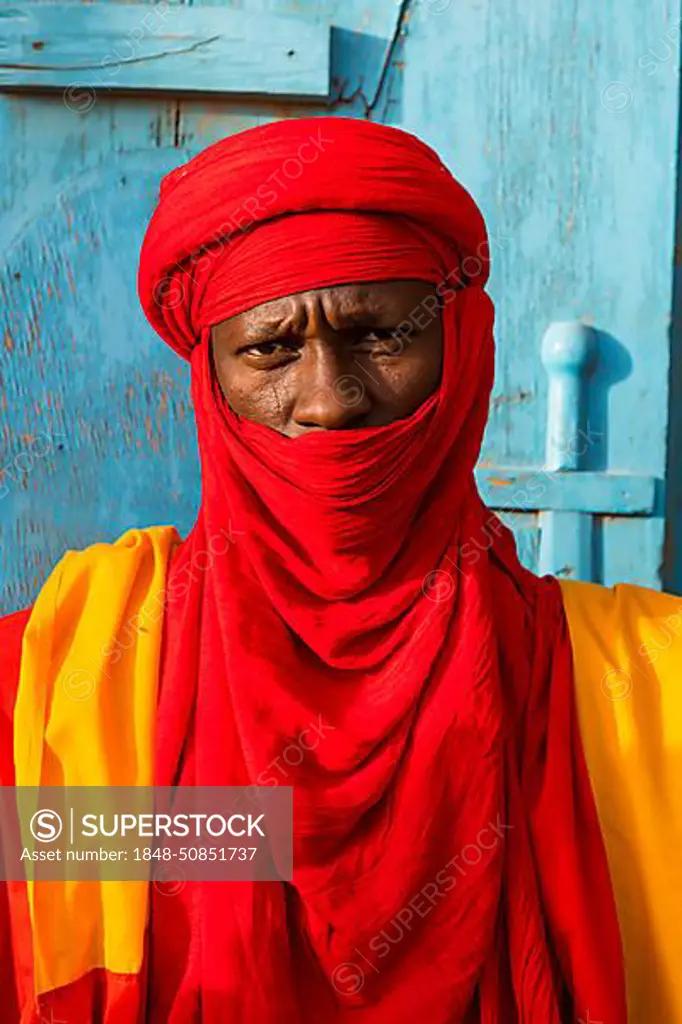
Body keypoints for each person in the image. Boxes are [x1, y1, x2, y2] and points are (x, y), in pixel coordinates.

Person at [0, 115, 678, 1023]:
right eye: (271, 348)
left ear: (463, 350)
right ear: (212, 380)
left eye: (382, 336)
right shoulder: (58, 693)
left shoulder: (647, 690)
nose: (330, 400)